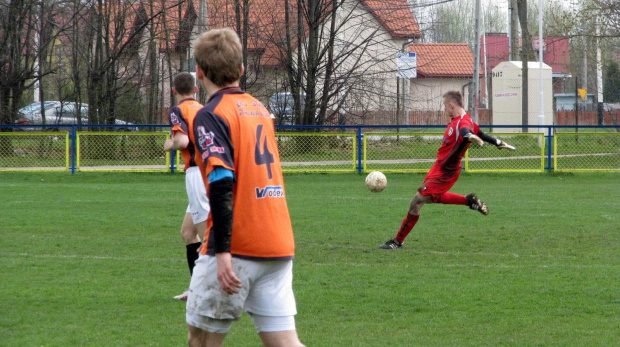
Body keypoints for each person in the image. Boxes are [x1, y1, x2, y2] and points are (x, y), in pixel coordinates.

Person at [186, 28, 304, 347]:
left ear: (199, 72)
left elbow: (222, 182)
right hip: (277, 243)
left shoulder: (210, 115)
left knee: (201, 340)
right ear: (241, 70)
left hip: (237, 245)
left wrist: (222, 251)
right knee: (286, 343)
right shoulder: (260, 110)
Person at [379, 90, 516, 250]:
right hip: (439, 167)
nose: (444, 111)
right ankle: (469, 200)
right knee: (432, 198)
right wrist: (498, 142)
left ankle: (398, 241)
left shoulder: (462, 123)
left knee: (417, 201)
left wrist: (469, 136)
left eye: (445, 107)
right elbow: (480, 133)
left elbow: (466, 131)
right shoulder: (465, 120)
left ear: (451, 106)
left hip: (446, 172)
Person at [163, 72, 209, 300]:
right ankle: (196, 289)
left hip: (196, 174)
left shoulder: (177, 110)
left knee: (208, 238)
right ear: (196, 90)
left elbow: (183, 141)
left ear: (174, 91)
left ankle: (216, 290)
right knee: (188, 233)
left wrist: (169, 144)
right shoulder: (204, 109)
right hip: (209, 172)